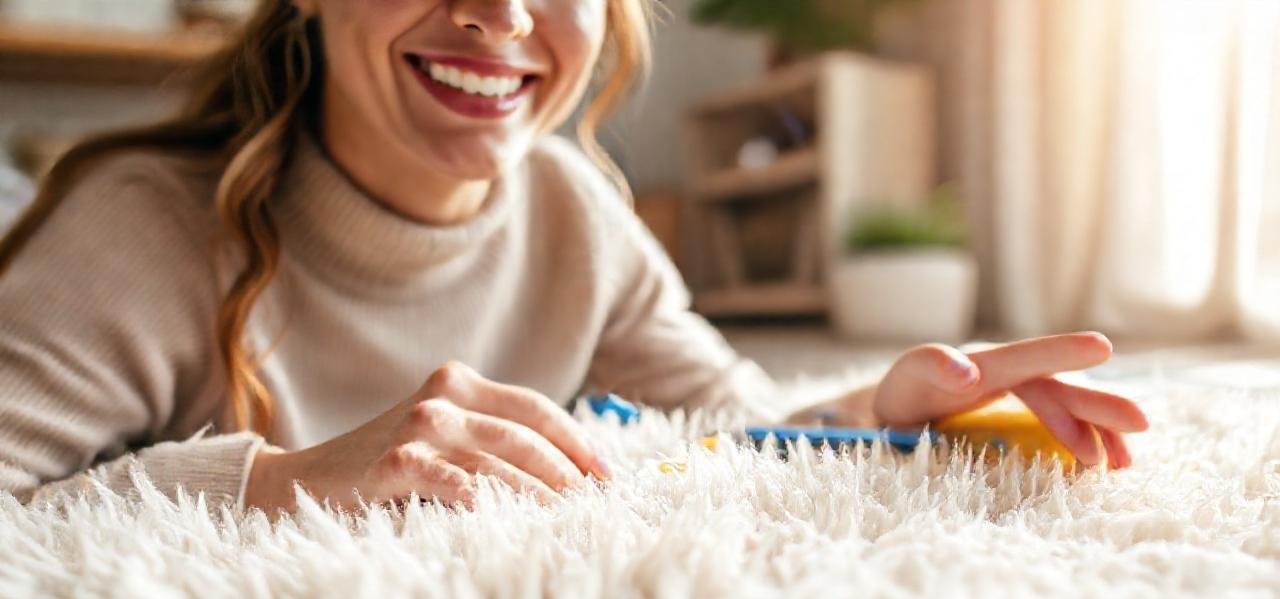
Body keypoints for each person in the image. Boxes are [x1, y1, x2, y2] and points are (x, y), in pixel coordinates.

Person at [0, 0, 1148, 515]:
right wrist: (280, 482)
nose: (500, 16)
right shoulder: (137, 227)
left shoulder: (571, 207)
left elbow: (721, 432)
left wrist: (881, 405)